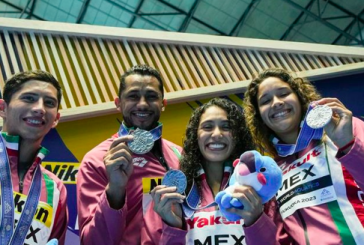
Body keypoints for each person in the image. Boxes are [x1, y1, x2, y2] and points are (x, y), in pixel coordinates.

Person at [243, 68, 364, 244]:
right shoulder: (272, 174)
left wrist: (348, 145)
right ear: (259, 116)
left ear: (300, 99)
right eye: (266, 101)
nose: (276, 102)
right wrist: (253, 220)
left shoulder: (343, 129)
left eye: (283, 94)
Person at [142, 98, 277, 244]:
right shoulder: (172, 195)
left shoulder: (260, 190)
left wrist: (256, 220)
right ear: (195, 136)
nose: (217, 134)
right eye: (207, 127)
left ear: (238, 135)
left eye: (226, 127)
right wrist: (174, 228)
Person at [77, 64, 182, 245]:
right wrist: (115, 190)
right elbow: (92, 242)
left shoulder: (180, 155)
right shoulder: (96, 160)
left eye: (151, 96)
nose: (142, 104)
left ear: (163, 104)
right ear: (118, 103)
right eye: (133, 96)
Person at [0, 70, 68, 245]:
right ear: (3, 108)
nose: (40, 108)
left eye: (49, 102)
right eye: (29, 98)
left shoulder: (56, 188)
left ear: (56, 120)